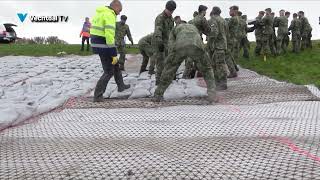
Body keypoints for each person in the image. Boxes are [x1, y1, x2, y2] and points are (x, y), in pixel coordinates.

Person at [153, 22, 218, 103]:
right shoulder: (193, 27)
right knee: (207, 69)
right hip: (197, 46)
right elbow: (199, 38)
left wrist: (170, 62)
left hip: (180, 46)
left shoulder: (175, 29)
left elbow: (171, 45)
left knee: (169, 70)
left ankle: (158, 95)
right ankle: (212, 95)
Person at [90, 0, 130, 102]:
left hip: (98, 43)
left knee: (115, 65)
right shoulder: (110, 15)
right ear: (115, 7)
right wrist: (113, 54)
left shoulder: (101, 12)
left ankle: (121, 86)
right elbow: (109, 35)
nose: (119, 13)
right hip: (103, 45)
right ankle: (98, 95)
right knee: (109, 71)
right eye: (119, 10)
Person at [153, 0, 176, 85]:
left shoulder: (171, 19)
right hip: (160, 43)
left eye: (172, 11)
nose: (171, 13)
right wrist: (160, 42)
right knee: (160, 62)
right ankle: (158, 81)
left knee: (169, 61)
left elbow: (172, 31)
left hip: (168, 43)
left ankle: (167, 78)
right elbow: (158, 30)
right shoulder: (160, 18)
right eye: (170, 11)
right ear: (166, 9)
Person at [207, 6, 228, 90]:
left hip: (217, 45)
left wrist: (210, 42)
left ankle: (222, 83)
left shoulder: (213, 19)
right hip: (222, 44)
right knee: (217, 64)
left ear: (213, 12)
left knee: (219, 64)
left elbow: (214, 33)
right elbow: (226, 32)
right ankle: (218, 82)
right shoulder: (223, 20)